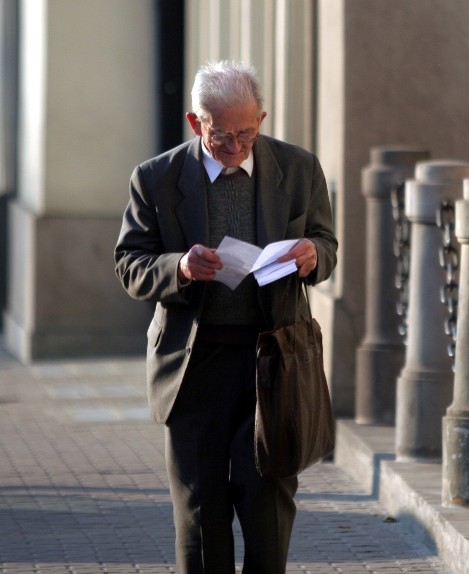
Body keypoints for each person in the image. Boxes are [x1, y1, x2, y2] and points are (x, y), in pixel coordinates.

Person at [115, 60, 337, 573]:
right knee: (200, 509)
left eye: (246, 132)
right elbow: (130, 265)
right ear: (197, 124)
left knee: (268, 503)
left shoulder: (299, 168)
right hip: (193, 364)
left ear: (261, 117)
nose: (236, 145)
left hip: (273, 362)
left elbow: (326, 244)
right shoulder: (156, 178)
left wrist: (312, 256)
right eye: (221, 135)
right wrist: (181, 268)